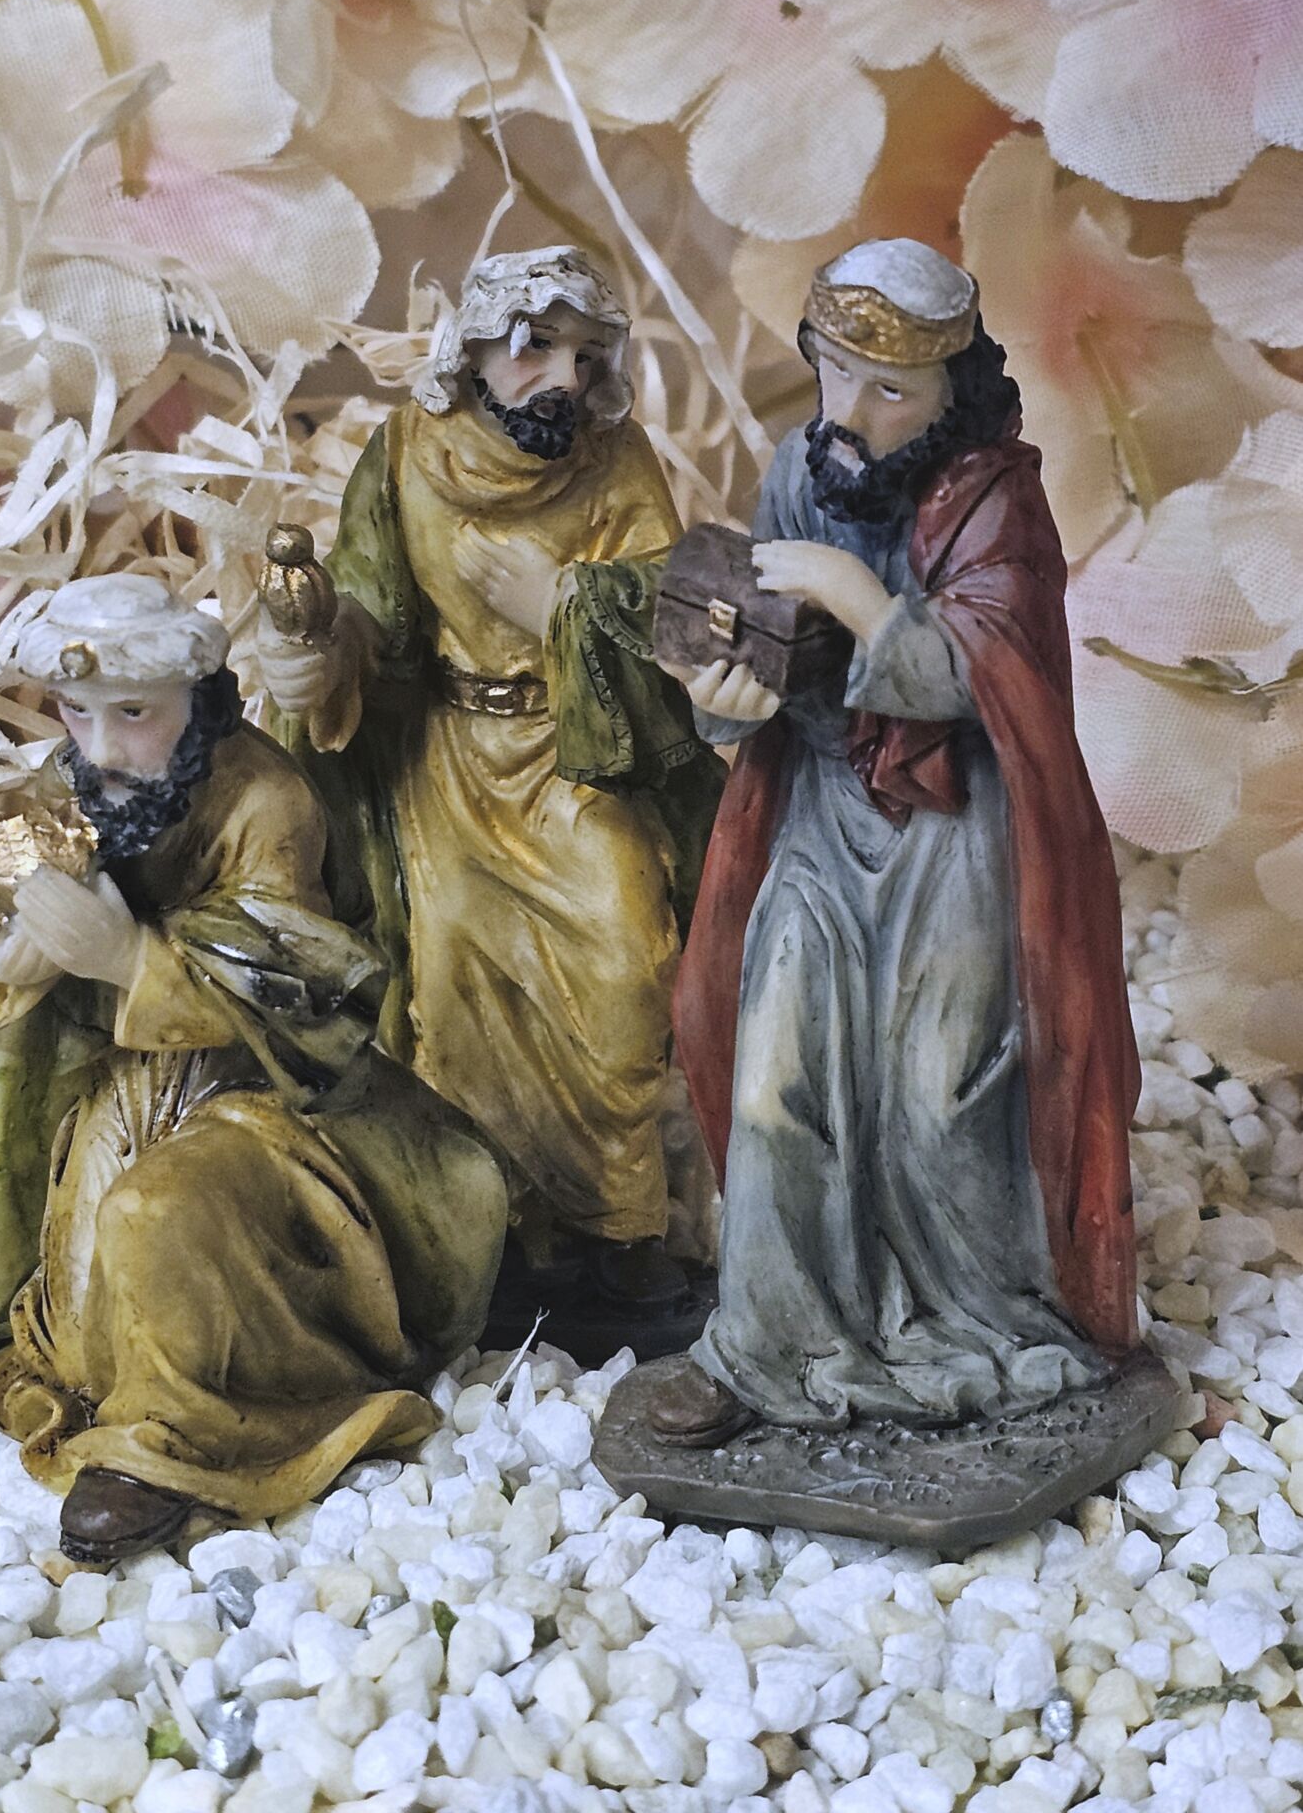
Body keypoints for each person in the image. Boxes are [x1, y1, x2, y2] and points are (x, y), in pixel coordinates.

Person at [0, 576, 506, 1562]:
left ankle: (163, 1439)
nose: (102, 746)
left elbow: (295, 992)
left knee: (151, 1215)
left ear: (197, 699)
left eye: (134, 714)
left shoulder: (265, 803)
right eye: (76, 712)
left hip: (265, 1100)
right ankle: (130, 1394)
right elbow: (0, 888)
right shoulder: (72, 785)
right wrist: (6, 956)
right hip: (126, 1080)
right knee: (82, 1306)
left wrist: (127, 959)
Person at [652, 238, 1140, 1446]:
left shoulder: (994, 501)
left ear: (948, 392)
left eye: (891, 389)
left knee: (938, 1094)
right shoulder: (797, 469)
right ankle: (766, 1340)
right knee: (775, 1077)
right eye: (835, 371)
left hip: (953, 828)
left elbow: (1001, 668)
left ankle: (987, 1316)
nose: (851, 412)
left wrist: (862, 599)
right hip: (822, 809)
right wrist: (727, 697)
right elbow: (754, 657)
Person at [258, 246, 723, 1345]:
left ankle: (621, 1228)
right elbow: (372, 609)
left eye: (586, 355)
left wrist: (564, 599)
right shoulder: (405, 452)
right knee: (455, 982)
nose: (563, 377)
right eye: (536, 348)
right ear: (472, 351)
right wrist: (317, 658)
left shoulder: (616, 463)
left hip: (578, 756)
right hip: (450, 763)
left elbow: (676, 610)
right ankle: (506, 1231)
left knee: (626, 959)